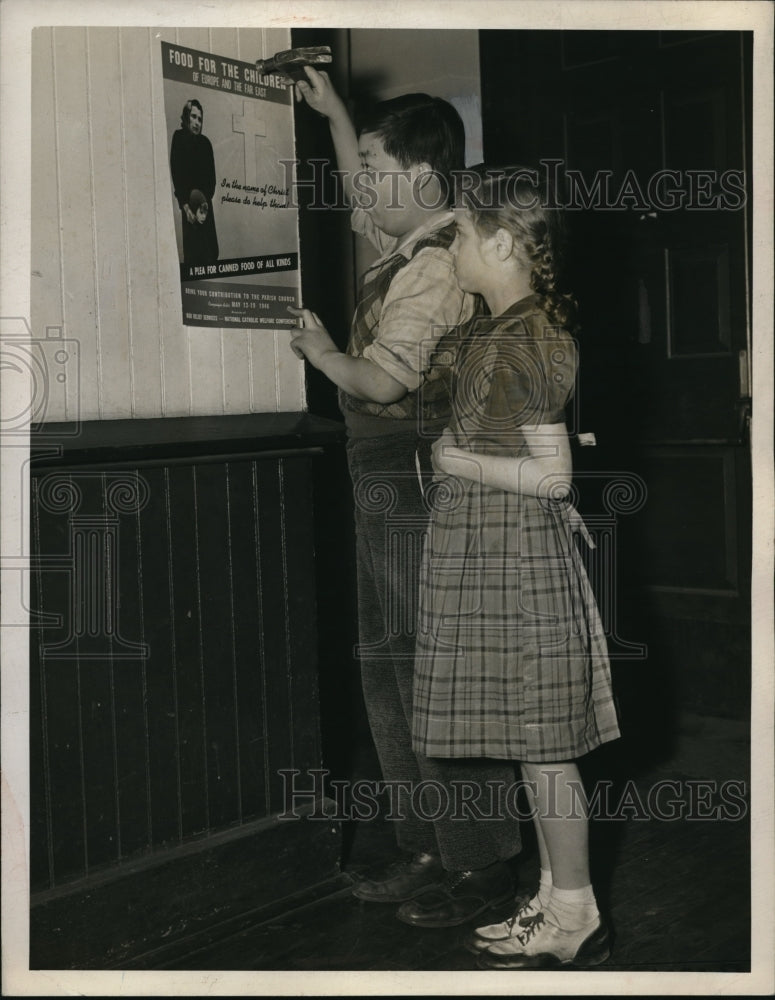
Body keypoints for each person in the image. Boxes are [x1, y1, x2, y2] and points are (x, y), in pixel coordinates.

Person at [288, 67, 523, 928]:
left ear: (420, 184)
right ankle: (426, 846)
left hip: (422, 480)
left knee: (438, 676)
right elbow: (367, 187)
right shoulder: (405, 244)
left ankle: (483, 870)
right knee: (389, 672)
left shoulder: (433, 265)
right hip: (381, 480)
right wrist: (339, 118)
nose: (361, 193)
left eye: (379, 175)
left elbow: (383, 385)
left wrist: (318, 353)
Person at [411, 167, 621, 968]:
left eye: (459, 233)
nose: (450, 246)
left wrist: (456, 461)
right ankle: (554, 898)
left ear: (500, 243)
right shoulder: (499, 330)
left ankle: (576, 915)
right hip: (494, 554)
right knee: (533, 745)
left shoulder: (526, 336)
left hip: (516, 559)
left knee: (544, 743)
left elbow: (553, 475)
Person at [170, 99, 219, 265]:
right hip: (189, 208)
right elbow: (177, 175)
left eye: (200, 119)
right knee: (193, 259)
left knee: (210, 256)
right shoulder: (178, 138)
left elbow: (212, 181)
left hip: (205, 208)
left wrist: (203, 207)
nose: (197, 122)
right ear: (186, 117)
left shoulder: (206, 144)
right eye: (193, 117)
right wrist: (186, 206)